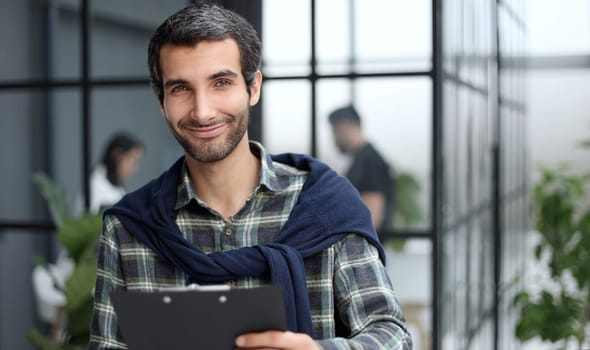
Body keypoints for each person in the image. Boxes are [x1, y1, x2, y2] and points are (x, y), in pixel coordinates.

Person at [89, 3, 412, 350]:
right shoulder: (128, 229)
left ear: (253, 87)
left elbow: (391, 335)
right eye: (181, 88)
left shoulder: (326, 207)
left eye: (221, 82)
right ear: (162, 100)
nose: (202, 111)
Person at [328, 106, 395, 232]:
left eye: (334, 132)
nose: (334, 139)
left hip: (362, 249)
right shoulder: (362, 160)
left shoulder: (370, 162)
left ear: (343, 126)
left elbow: (370, 219)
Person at [89, 132, 144, 213]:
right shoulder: (95, 186)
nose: (134, 170)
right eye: (133, 162)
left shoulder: (118, 187)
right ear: (117, 155)